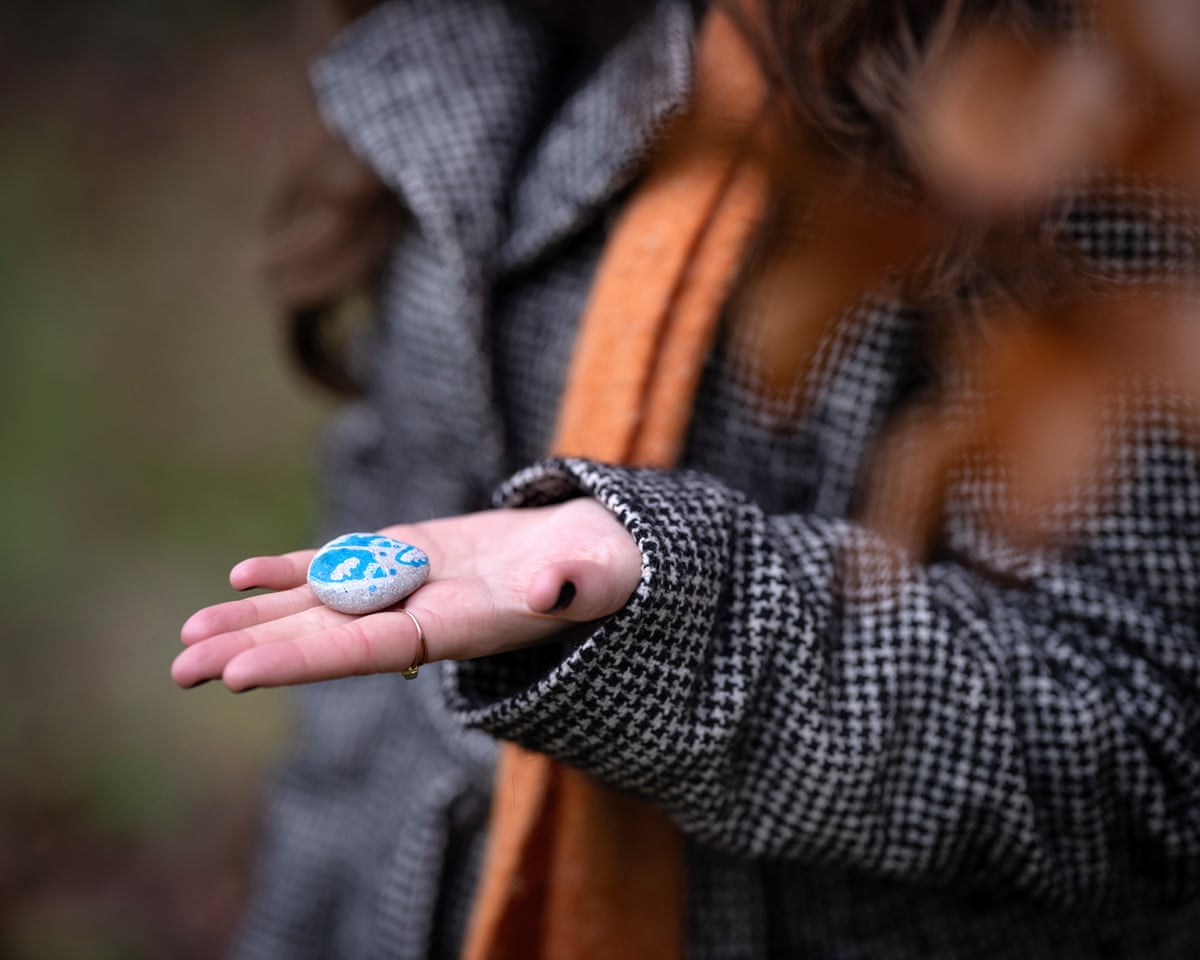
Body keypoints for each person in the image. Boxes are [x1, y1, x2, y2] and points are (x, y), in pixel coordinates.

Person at [173, 0, 1200, 956]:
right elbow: (354, 738)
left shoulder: (1065, 88)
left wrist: (678, 608)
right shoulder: (455, 32)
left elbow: (1150, 740)